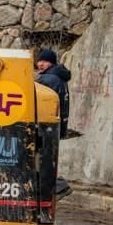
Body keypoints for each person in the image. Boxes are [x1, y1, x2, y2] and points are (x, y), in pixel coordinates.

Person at [36, 49, 72, 199]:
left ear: (51, 63)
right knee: (48, 159)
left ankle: (58, 185)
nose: (41, 64)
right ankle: (57, 186)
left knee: (41, 160)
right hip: (56, 126)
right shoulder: (60, 78)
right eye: (39, 60)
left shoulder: (48, 80)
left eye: (45, 61)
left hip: (45, 127)